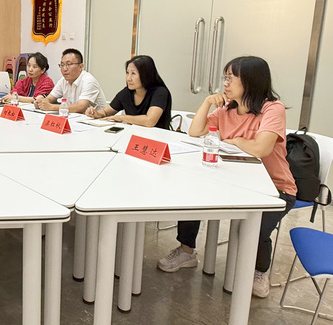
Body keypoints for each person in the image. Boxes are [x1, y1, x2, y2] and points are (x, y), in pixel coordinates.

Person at [156, 56, 297, 298]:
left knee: (254, 230)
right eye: (225, 77)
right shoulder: (226, 109)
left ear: (251, 81)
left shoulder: (272, 109)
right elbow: (195, 132)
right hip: (232, 180)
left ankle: (260, 270)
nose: (225, 83)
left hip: (275, 188)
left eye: (231, 78)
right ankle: (187, 251)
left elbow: (262, 148)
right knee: (192, 197)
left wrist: (236, 140)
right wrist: (207, 102)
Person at [85, 55, 172, 129]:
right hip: (134, 135)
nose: (128, 78)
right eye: (127, 73)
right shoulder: (127, 92)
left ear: (146, 74)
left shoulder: (160, 92)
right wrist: (96, 113)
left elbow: (149, 121)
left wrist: (122, 118)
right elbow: (105, 112)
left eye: (133, 74)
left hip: (157, 138)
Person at [34, 48, 107, 113]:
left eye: (69, 64)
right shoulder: (63, 80)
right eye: (62, 65)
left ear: (81, 67)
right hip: (75, 119)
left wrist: (51, 107)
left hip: (96, 121)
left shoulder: (89, 81)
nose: (64, 69)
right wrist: (41, 103)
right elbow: (50, 98)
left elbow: (80, 107)